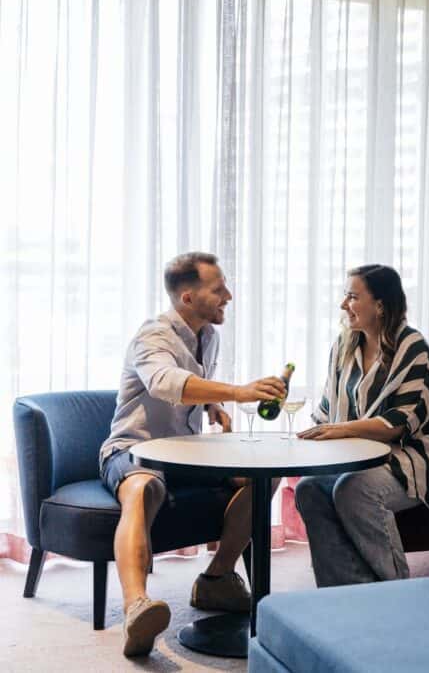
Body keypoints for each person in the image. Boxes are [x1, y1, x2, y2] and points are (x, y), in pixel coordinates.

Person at [99, 252, 286, 657]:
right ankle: (137, 606)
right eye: (218, 290)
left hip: (187, 454)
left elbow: (192, 384)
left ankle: (217, 579)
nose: (229, 296)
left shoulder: (209, 336)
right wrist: (236, 392)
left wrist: (210, 406)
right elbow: (166, 382)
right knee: (144, 488)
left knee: (265, 476)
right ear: (187, 297)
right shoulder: (152, 336)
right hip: (135, 448)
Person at [294, 264, 429, 587]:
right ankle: (347, 590)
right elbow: (327, 410)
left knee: (354, 488)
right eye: (345, 296)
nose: (344, 305)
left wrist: (340, 431)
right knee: (309, 488)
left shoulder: (412, 348)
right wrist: (304, 441)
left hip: (412, 458)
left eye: (353, 296)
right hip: (356, 459)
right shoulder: (344, 346)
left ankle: (394, 588)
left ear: (381, 305)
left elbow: (400, 424)